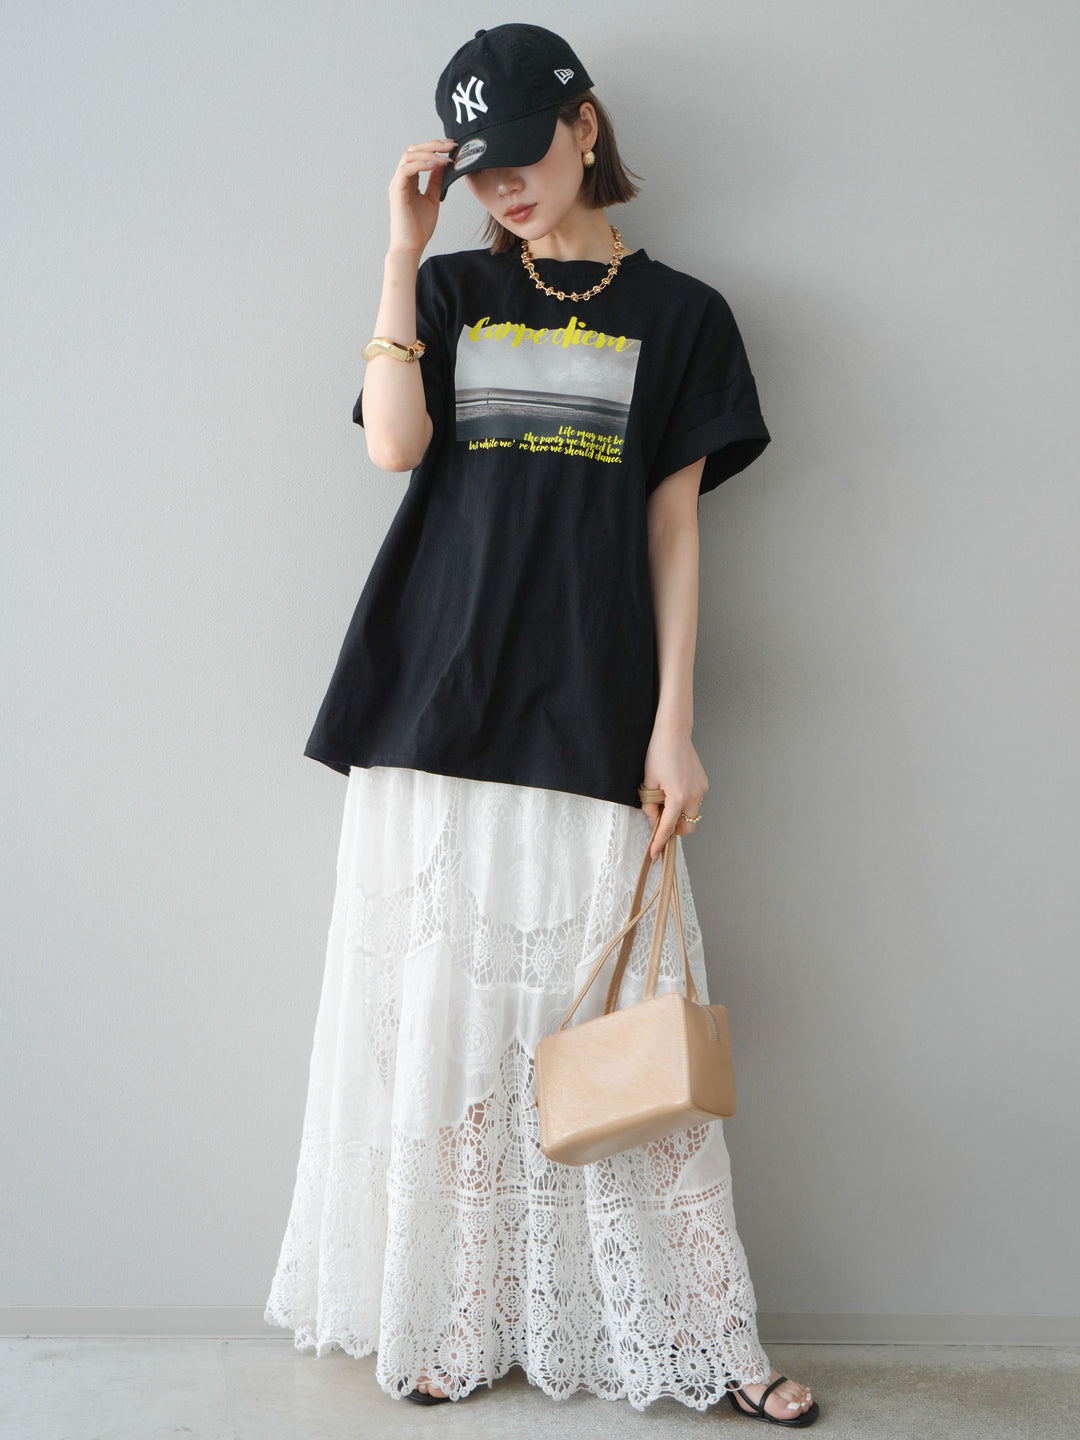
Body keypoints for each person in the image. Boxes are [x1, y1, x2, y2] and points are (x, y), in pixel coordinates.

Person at [264, 22, 819, 1428]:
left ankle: (710, 1340)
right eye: (479, 169)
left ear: (586, 125)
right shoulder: (450, 290)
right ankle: (454, 1321)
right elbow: (394, 446)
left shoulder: (684, 316)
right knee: (451, 1032)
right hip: (434, 703)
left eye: (522, 155)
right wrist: (400, 252)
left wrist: (675, 724)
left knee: (629, 1025)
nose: (503, 187)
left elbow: (675, 531)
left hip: (592, 702)